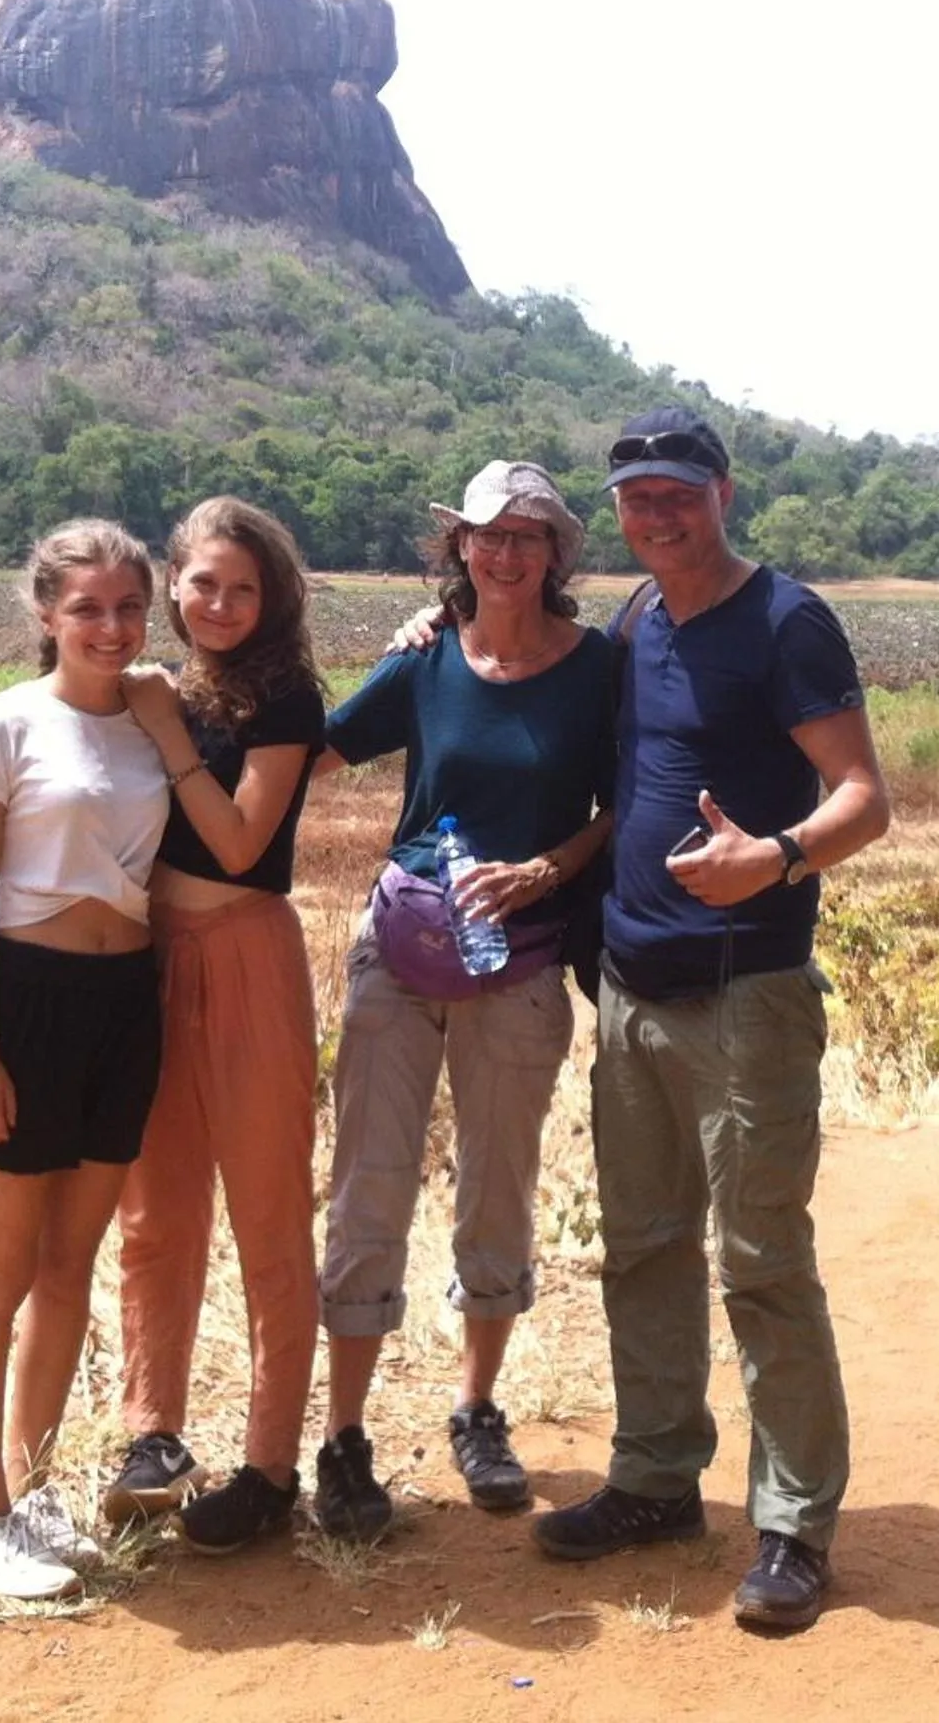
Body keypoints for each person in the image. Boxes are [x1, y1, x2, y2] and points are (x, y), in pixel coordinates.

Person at [530, 407, 891, 1633]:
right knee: (639, 1245)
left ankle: (791, 1525)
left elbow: (863, 796)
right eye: (636, 499)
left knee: (762, 1262)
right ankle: (655, 1478)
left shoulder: (787, 622)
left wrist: (777, 856)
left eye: (678, 493)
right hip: (632, 986)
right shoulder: (638, 619)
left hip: (748, 992)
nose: (658, 515)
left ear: (724, 494)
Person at [310, 460, 617, 1541]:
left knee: (498, 1189)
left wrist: (546, 869)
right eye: (488, 535)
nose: (506, 553)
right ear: (460, 550)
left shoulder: (599, 671)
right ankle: (342, 1440)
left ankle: (477, 1409)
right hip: (398, 958)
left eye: (529, 537)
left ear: (556, 557)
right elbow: (315, 753)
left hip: (521, 962)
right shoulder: (428, 660)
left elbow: (625, 806)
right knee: (369, 1186)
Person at [0, 519, 170, 1600]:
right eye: (87, 608)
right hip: (22, 1007)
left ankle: (29, 1494)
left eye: (127, 607)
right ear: (45, 614)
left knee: (71, 1268)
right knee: (0, 1272)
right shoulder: (3, 726)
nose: (110, 627)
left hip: (125, 1003)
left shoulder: (155, 724)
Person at [103, 498, 328, 1553]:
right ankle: (151, 1436)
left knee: (269, 1209)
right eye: (204, 584)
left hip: (245, 954)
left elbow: (240, 842)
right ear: (174, 585)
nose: (223, 604)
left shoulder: (284, 697)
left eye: (244, 587)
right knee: (154, 1209)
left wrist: (162, 733)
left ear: (271, 596)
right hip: (148, 960)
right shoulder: (147, 686)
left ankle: (272, 1463)